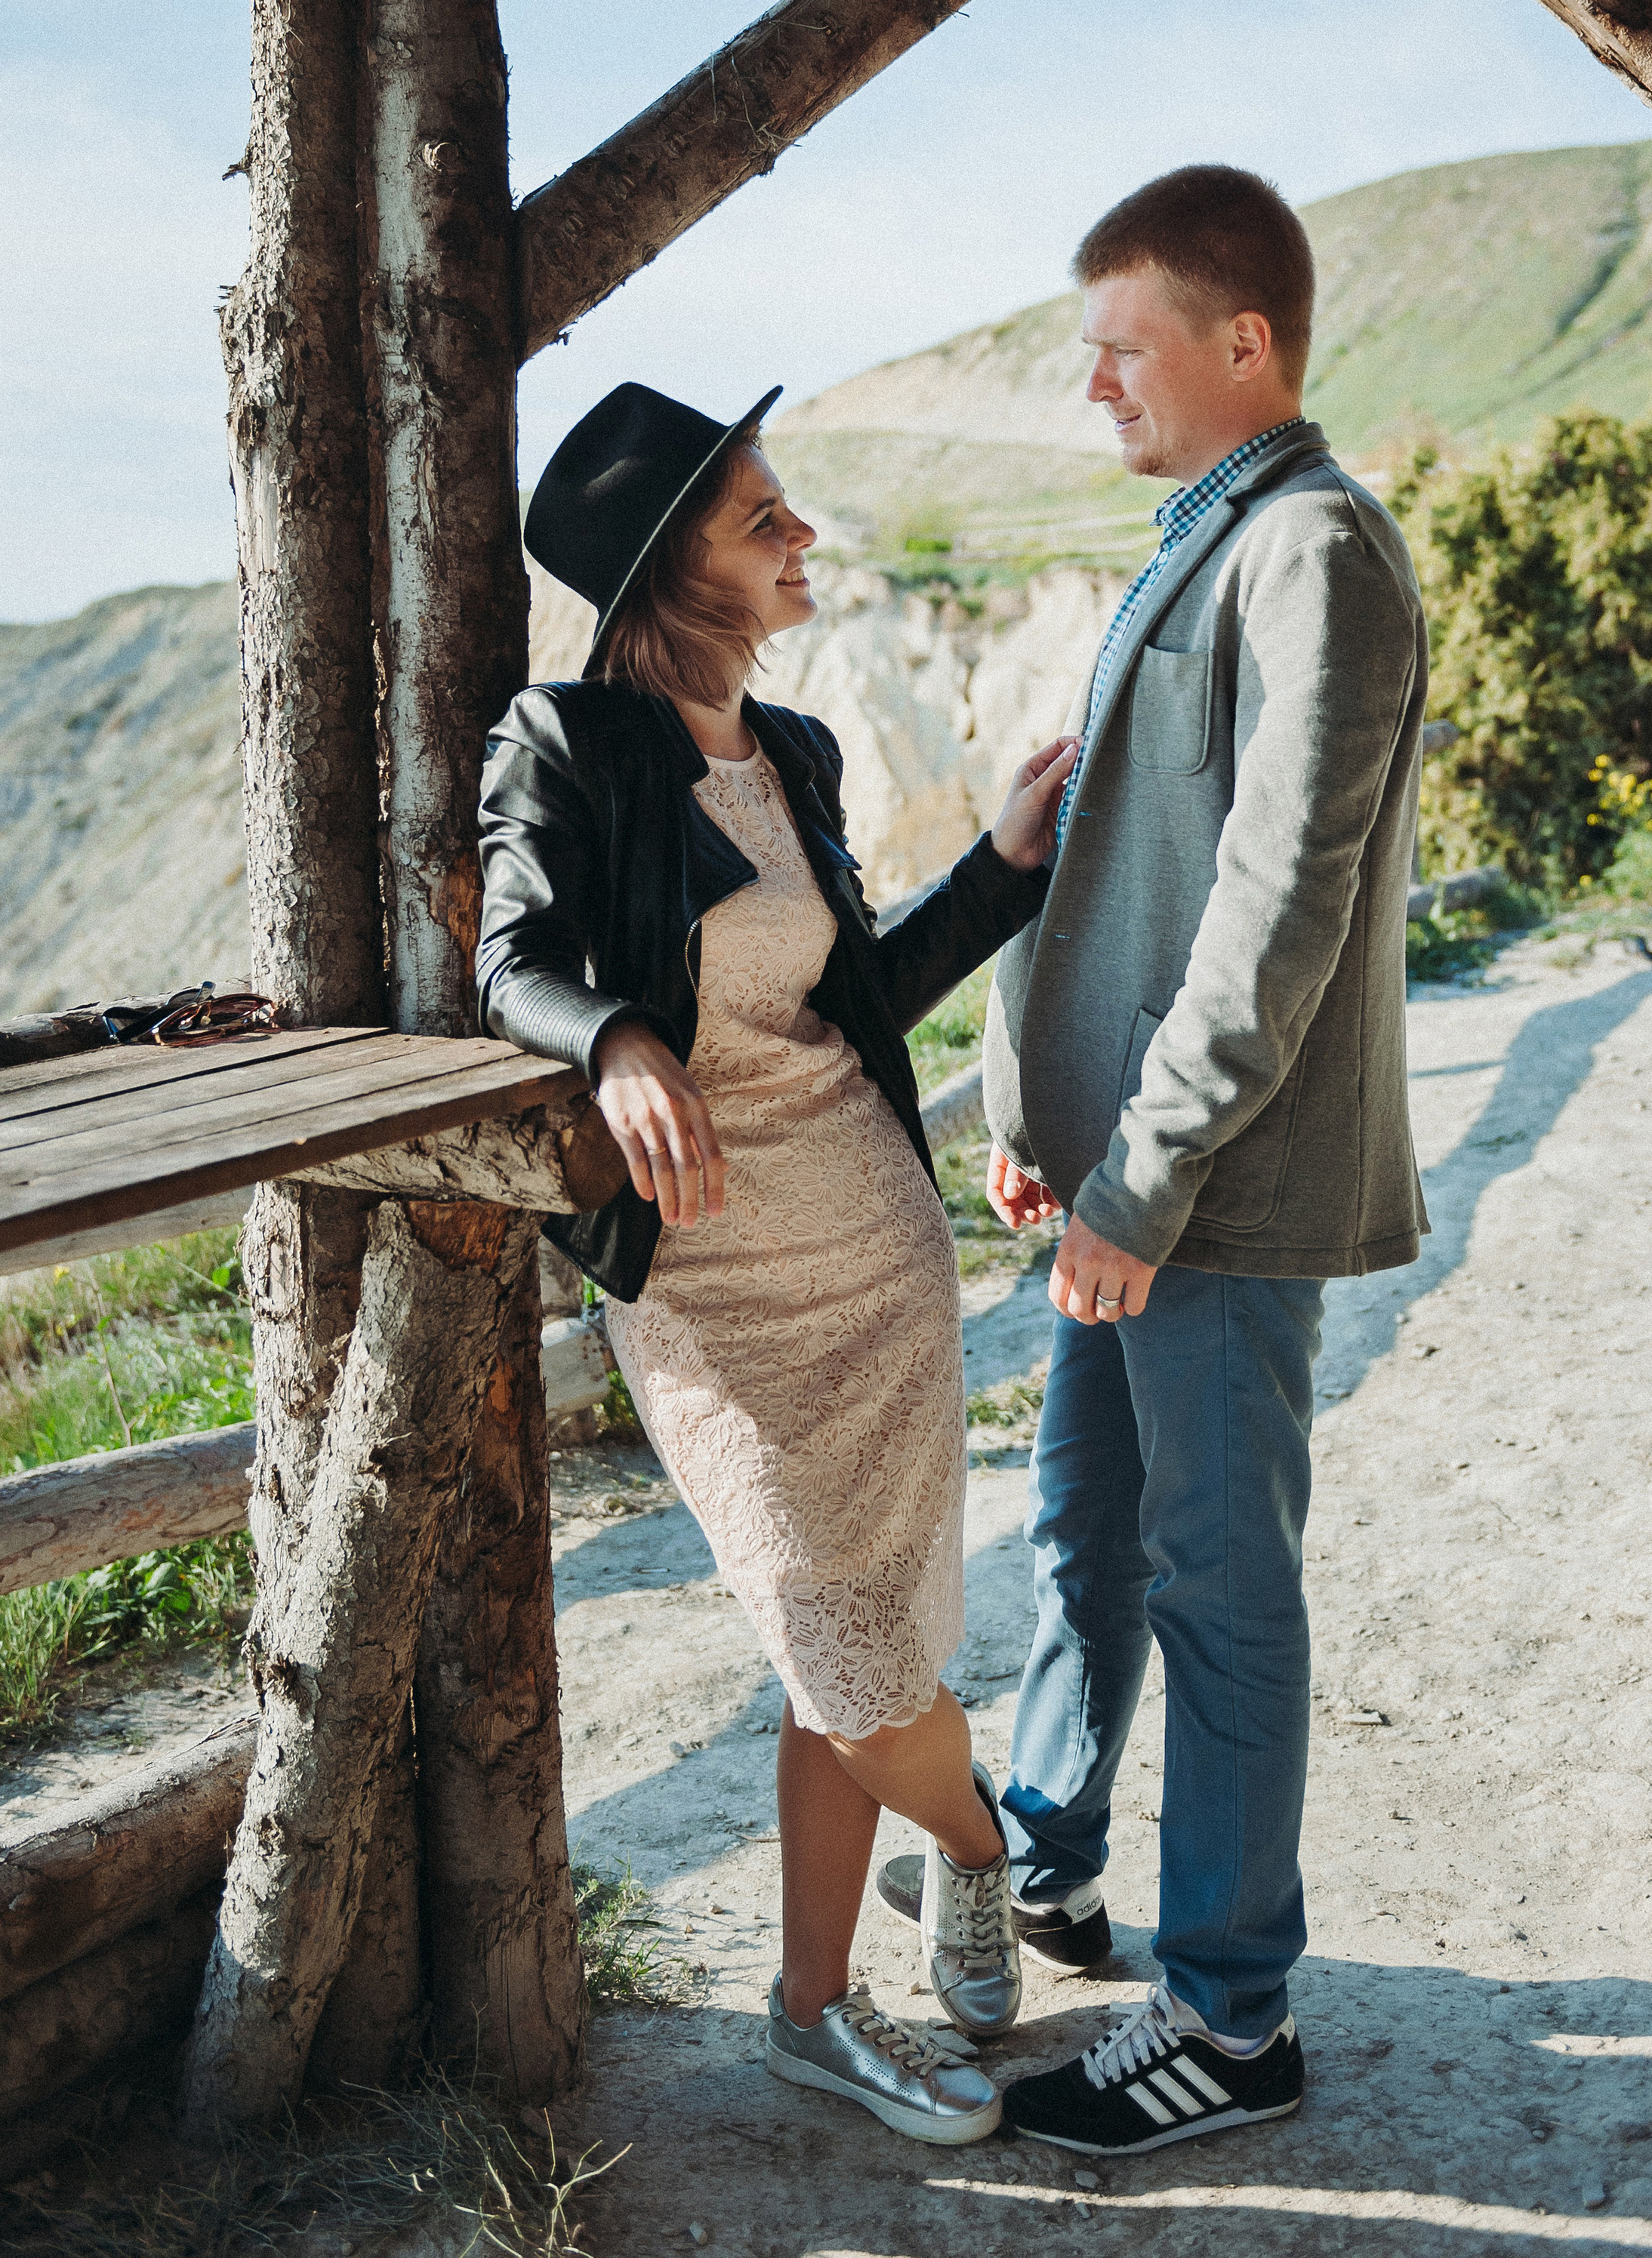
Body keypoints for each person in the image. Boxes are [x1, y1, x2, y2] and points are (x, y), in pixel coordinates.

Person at [883, 165, 1429, 2158]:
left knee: (1216, 1589)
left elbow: (1275, 909)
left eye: (1122, 345)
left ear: (1245, 345)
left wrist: (1143, 1178)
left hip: (1207, 1198)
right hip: (1120, 1185)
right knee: (1084, 1537)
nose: (1091, 380)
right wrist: (1048, 1134)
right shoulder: (1198, 544)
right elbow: (1131, 883)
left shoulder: (1314, 558)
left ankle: (1230, 2023)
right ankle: (1048, 1858)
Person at [475, 379, 1078, 2149]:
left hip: (874, 1246)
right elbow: (509, 951)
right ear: (675, 572)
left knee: (862, 1646)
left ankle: (812, 2009)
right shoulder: (568, 742)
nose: (801, 533)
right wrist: (611, 1042)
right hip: (712, 1284)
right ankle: (982, 1850)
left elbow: (856, 1001)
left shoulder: (795, 754)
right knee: (840, 1641)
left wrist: (1001, 868)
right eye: (762, 517)